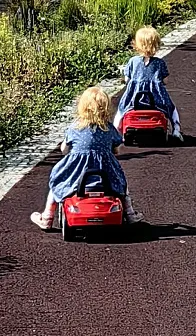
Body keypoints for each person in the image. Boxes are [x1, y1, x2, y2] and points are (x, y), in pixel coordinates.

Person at [30, 86, 144, 230]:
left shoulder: (74, 128)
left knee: (57, 182)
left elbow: (64, 150)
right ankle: (130, 213)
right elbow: (117, 149)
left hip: (77, 175)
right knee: (122, 184)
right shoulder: (108, 128)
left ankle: (47, 217)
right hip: (105, 175)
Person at [114, 26, 183, 141]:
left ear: (137, 44)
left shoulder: (132, 61)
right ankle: (176, 129)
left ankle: (116, 133)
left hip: (134, 98)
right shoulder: (160, 63)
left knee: (121, 110)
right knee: (171, 108)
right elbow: (165, 80)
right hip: (157, 99)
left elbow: (127, 80)